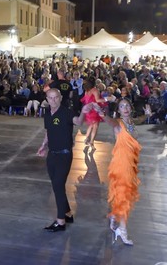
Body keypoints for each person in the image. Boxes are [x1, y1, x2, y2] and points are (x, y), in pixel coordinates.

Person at [37, 88, 89, 232]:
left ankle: (60, 222)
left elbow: (78, 122)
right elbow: (48, 131)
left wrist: (84, 111)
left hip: (64, 155)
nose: (53, 100)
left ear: (60, 98)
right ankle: (67, 213)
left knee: (59, 186)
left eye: (56, 98)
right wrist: (43, 145)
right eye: (50, 98)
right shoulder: (47, 113)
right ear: (47, 99)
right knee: (56, 185)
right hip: (52, 154)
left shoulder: (67, 112)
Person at [94, 98, 141, 245]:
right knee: (124, 195)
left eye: (127, 105)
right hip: (121, 164)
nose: (125, 108)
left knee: (124, 193)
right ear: (118, 110)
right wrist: (102, 115)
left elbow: (140, 120)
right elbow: (109, 121)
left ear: (130, 108)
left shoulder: (131, 123)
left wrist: (147, 114)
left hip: (131, 163)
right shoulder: (118, 123)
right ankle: (122, 230)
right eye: (122, 106)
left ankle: (115, 216)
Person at [80, 76, 105, 150]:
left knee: (91, 125)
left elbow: (86, 100)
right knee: (95, 127)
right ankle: (91, 142)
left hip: (88, 110)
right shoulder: (95, 90)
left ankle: (86, 139)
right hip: (94, 110)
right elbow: (97, 100)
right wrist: (106, 99)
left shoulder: (87, 91)